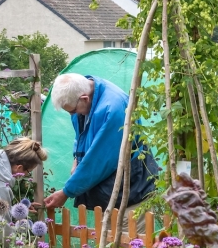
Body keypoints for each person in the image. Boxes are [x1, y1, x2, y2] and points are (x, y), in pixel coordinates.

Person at [43, 73, 157, 210]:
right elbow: (81, 135)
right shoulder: (88, 93)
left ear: (84, 99)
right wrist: (76, 159)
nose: (72, 115)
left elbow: (99, 160)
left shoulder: (113, 109)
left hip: (130, 191)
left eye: (73, 111)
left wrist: (66, 192)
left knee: (126, 229)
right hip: (111, 193)